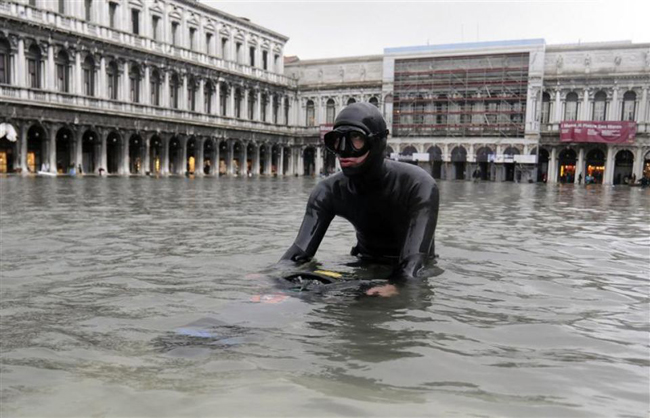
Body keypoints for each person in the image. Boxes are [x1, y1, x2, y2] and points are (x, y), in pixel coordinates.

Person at [280, 103, 439, 297]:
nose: (343, 150)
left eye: (356, 138)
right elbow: (299, 252)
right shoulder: (328, 191)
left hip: (416, 267)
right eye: (337, 140)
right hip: (362, 261)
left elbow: (415, 261)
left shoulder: (419, 185)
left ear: (378, 142)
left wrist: (398, 285)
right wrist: (272, 276)